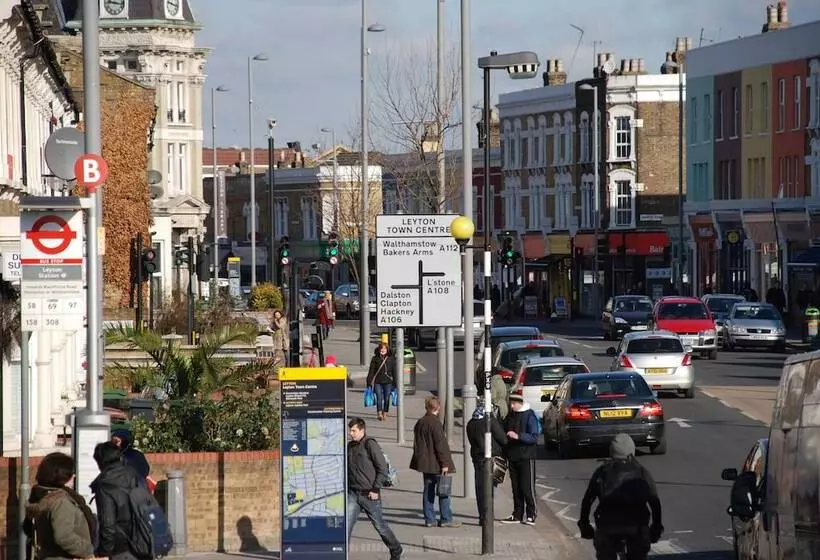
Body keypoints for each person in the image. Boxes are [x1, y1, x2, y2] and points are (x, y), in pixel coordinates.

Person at [578, 433, 663, 560]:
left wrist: (584, 525)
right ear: (632, 451)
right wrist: (656, 528)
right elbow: (655, 502)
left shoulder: (602, 472)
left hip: (608, 527)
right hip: (637, 528)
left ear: (612, 451)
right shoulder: (642, 472)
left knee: (605, 553)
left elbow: (588, 500)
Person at [346, 417, 403, 560]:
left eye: (353, 430)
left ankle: (396, 549)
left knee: (380, 526)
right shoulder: (350, 446)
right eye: (350, 430)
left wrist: (375, 489)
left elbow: (382, 468)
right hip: (353, 494)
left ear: (362, 430)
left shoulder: (370, 444)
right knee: (345, 527)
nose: (351, 433)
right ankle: (342, 555)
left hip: (370, 495)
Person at [24, 452, 96, 560]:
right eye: (71, 473)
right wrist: (87, 549)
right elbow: (64, 536)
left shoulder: (43, 496)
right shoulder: (61, 502)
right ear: (62, 476)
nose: (74, 476)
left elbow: (28, 529)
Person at [91, 441, 152, 560]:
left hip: (122, 547)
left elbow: (108, 524)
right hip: (144, 541)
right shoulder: (134, 474)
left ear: (100, 462)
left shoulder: (106, 484)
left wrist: (103, 552)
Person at [409, 396, 460, 528]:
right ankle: (446, 518)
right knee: (444, 491)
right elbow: (440, 446)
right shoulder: (435, 423)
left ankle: (429, 519)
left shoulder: (420, 422)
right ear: (437, 407)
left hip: (425, 464)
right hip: (437, 463)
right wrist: (445, 464)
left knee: (428, 491)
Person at [500, 393, 540, 525]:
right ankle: (517, 514)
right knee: (516, 488)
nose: (511, 406)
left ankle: (531, 514)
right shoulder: (510, 416)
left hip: (526, 456)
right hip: (513, 456)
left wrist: (518, 436)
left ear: (520, 403)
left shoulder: (529, 415)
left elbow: (534, 437)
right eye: (510, 404)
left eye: (513, 404)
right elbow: (503, 429)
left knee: (527, 487)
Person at [466, 403, 508, 526]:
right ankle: (488, 517)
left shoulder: (470, 424)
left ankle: (482, 517)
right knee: (490, 490)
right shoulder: (490, 422)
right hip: (491, 459)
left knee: (480, 489)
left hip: (477, 459)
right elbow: (503, 439)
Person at [366, 342, 396, 421]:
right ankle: (379, 413)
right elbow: (371, 371)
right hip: (378, 382)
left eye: (384, 348)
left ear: (387, 349)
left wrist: (396, 382)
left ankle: (385, 413)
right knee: (379, 398)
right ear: (379, 349)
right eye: (381, 348)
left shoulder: (391, 359)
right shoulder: (375, 359)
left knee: (387, 398)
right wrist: (369, 381)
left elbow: (394, 371)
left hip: (388, 382)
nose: (383, 350)